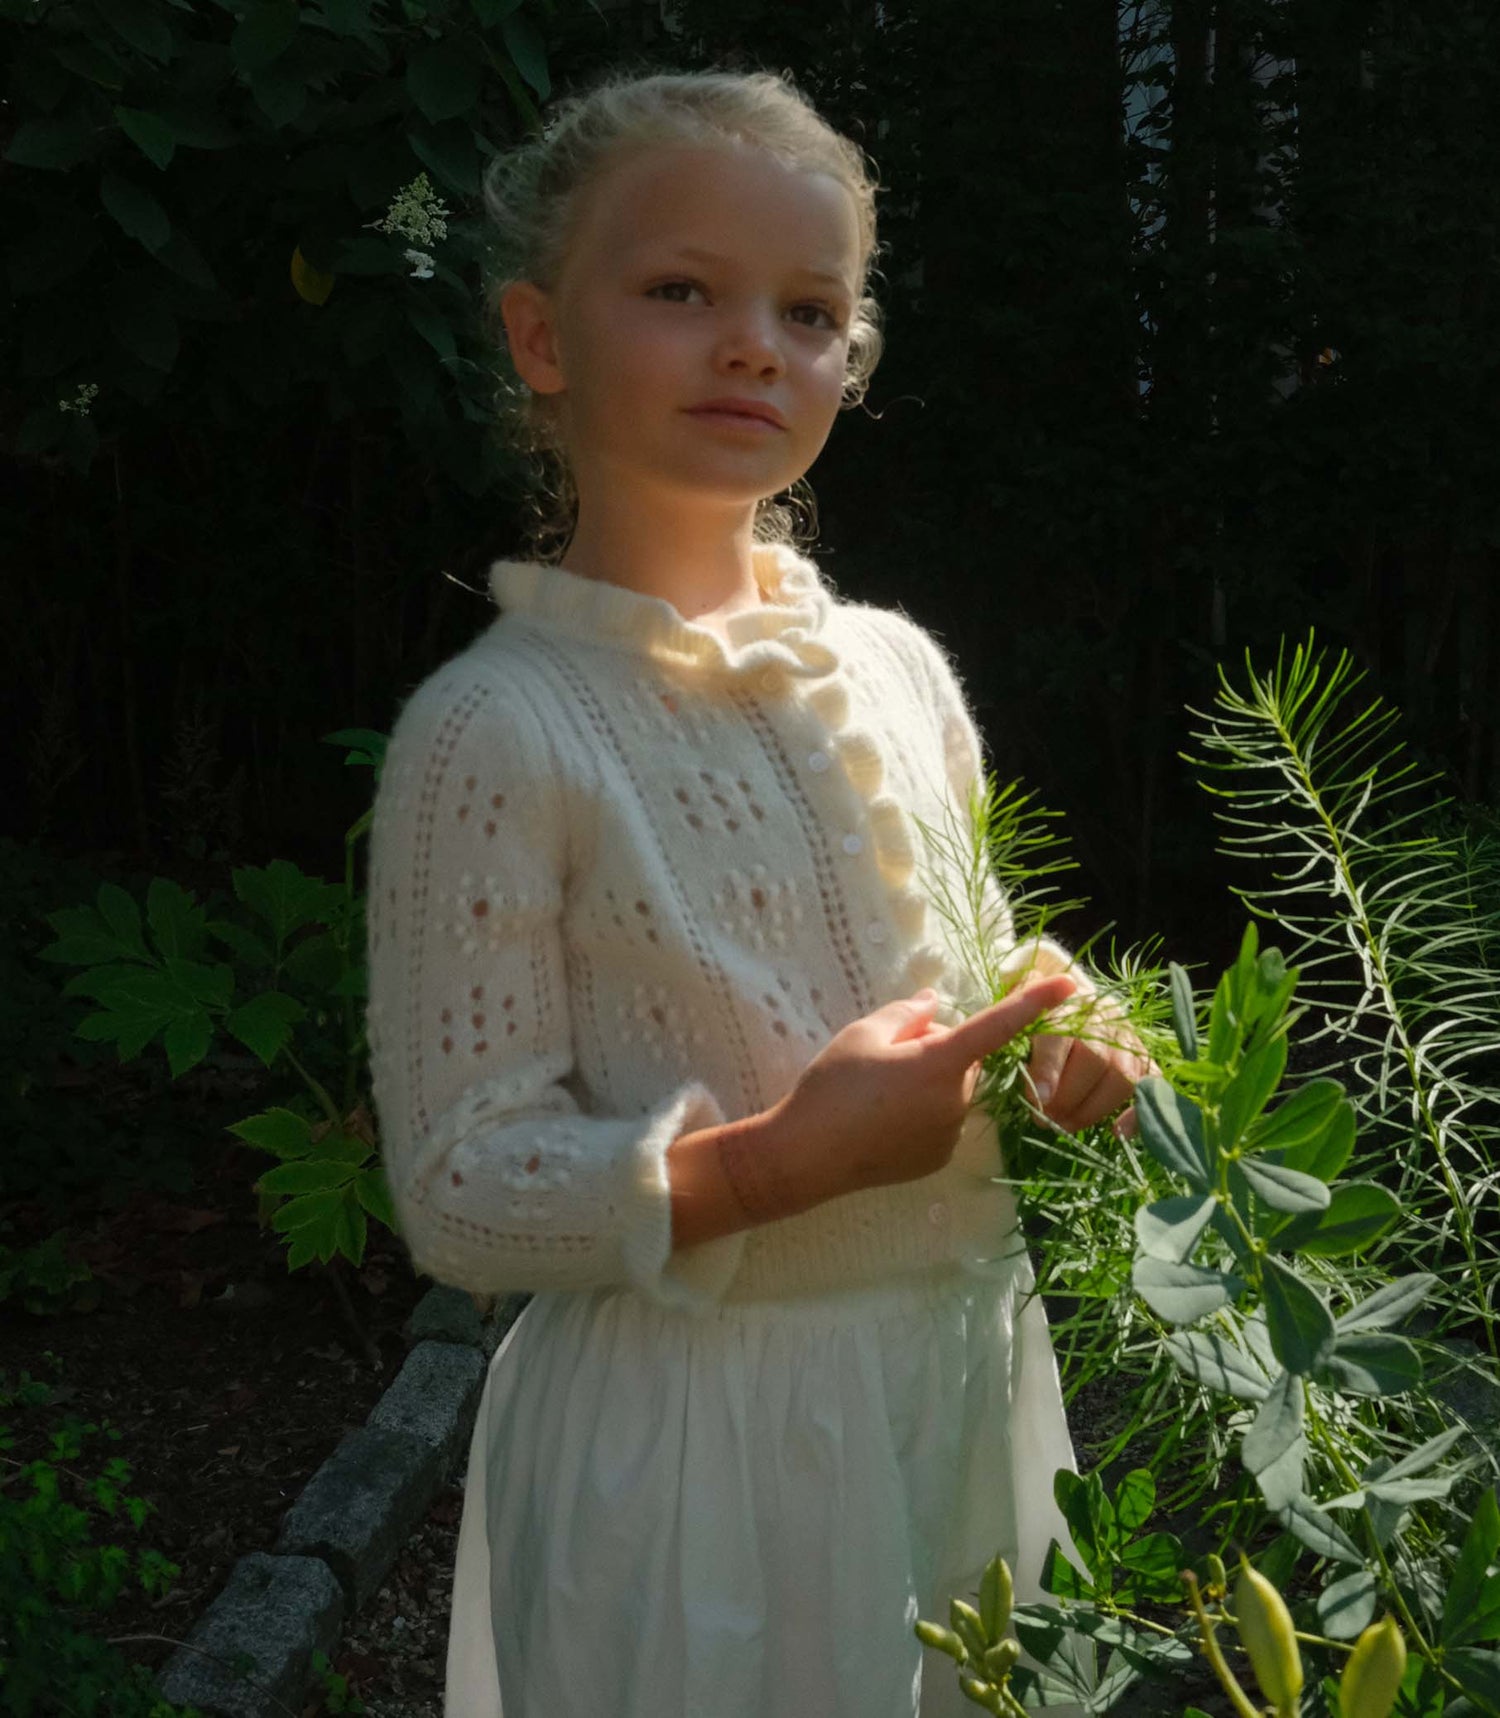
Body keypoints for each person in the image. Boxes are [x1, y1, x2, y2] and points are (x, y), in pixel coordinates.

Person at [364, 63, 1150, 1718]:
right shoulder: (497, 730)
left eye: (809, 309)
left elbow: (979, 971)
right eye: (679, 290)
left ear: (849, 360)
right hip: (695, 1452)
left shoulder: (898, 668)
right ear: (540, 339)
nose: (752, 345)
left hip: (952, 1381)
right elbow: (459, 1187)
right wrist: (776, 1161)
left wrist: (1060, 1042)